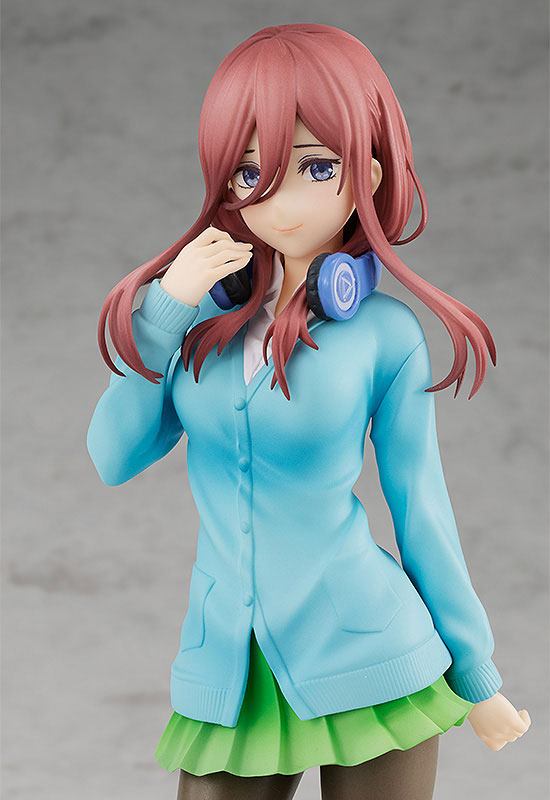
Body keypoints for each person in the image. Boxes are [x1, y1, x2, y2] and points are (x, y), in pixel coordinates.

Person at [87, 23, 530, 800]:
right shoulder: (197, 323)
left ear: (367, 174)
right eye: (248, 171)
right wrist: (163, 311)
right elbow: (111, 457)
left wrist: (476, 672)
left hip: (372, 653)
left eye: (316, 166)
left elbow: (421, 509)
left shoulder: (384, 335)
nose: (279, 200)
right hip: (228, 663)